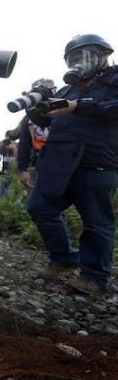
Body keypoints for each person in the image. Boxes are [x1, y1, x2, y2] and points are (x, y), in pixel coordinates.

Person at [26, 34, 118, 295]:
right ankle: (63, 258)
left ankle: (94, 277)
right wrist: (35, 107)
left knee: (96, 221)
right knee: (40, 207)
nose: (80, 62)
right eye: (74, 58)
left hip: (96, 160)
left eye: (85, 56)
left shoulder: (114, 80)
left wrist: (76, 106)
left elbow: (111, 108)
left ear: (103, 56)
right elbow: (47, 122)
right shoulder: (67, 90)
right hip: (59, 161)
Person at [16, 79, 54, 193]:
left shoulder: (65, 109)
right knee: (39, 200)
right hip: (41, 163)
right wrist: (23, 169)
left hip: (66, 162)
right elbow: (24, 144)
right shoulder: (28, 119)